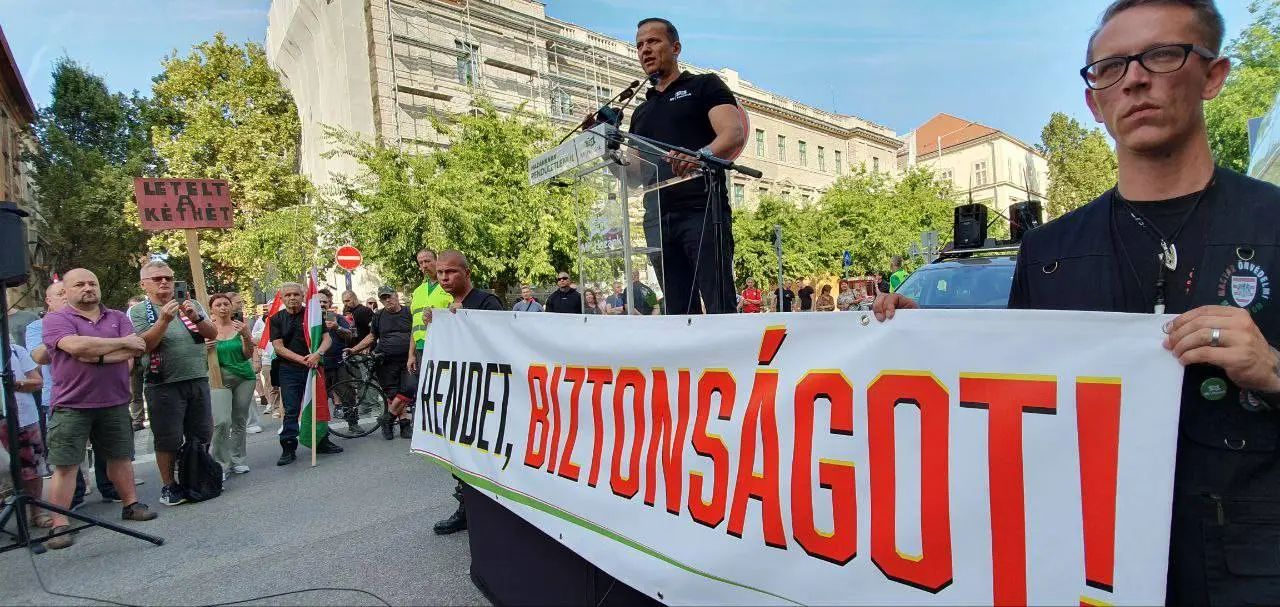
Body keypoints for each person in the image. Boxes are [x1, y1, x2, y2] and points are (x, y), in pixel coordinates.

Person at [875, 1, 1280, 602]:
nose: (1135, 79)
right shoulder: (1049, 250)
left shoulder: (1270, 221)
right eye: (1111, 67)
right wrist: (925, 344)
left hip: (1249, 563)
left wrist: (1271, 369)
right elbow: (1012, 391)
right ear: (1094, 102)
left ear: (1213, 75)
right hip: (1088, 564)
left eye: (1161, 55)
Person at [630, 18, 746, 315]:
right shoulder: (640, 111)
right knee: (677, 311)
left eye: (653, 41)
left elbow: (733, 133)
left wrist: (699, 155)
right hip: (657, 218)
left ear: (676, 47)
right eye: (639, 45)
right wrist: (604, 149)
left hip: (701, 209)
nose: (645, 50)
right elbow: (632, 175)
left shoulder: (704, 85)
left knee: (718, 303)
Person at [41, 268, 157, 549]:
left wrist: (97, 356)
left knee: (120, 458)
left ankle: (131, 505)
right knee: (66, 466)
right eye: (79, 284)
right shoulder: (56, 319)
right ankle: (59, 524)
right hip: (71, 404)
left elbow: (135, 349)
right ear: (66, 291)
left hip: (114, 402)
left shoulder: (118, 317)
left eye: (92, 283)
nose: (88, 288)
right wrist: (119, 343)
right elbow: (75, 346)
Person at [425, 250, 503, 536]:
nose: (444, 278)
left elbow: (502, 343)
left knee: (486, 457)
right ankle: (467, 508)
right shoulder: (448, 308)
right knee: (460, 455)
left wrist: (467, 320)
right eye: (440, 273)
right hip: (461, 393)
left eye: (451, 272)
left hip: (487, 395)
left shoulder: (487, 302)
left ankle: (492, 511)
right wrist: (437, 326)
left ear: (467, 273)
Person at [128, 261, 219, 506]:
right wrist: (163, 320)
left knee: (202, 433)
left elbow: (212, 334)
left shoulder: (191, 304)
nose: (164, 282)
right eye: (157, 279)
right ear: (144, 285)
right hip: (163, 383)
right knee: (168, 438)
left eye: (168, 278)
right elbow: (145, 345)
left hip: (197, 377)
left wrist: (196, 317)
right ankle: (169, 485)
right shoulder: (138, 312)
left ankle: (197, 476)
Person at [269, 282, 342, 465]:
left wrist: (318, 354)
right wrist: (302, 359)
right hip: (289, 370)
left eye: (296, 294)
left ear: (303, 296)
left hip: (314, 366)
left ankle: (321, 441)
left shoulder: (313, 316)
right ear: (282, 298)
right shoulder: (276, 318)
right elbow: (278, 347)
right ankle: (288, 447)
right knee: (291, 409)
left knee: (318, 405)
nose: (292, 298)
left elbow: (327, 339)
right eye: (288, 295)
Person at [349, 286, 415, 440]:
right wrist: (354, 349)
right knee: (393, 394)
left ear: (396, 295)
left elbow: (416, 332)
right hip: (385, 360)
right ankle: (404, 424)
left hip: (408, 359)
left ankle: (387, 419)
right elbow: (372, 336)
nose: (387, 300)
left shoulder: (409, 312)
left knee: (409, 388)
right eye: (383, 298)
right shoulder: (378, 315)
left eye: (389, 296)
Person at [3, 340, 49, 528]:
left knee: (32, 467)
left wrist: (15, 384)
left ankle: (37, 513)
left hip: (23, 416)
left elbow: (37, 381)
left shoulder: (15, 350)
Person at [208, 293, 255, 476]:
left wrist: (246, 336)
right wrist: (203, 349)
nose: (223, 308)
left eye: (226, 304)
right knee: (221, 422)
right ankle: (220, 464)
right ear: (211, 309)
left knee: (239, 420)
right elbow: (199, 359)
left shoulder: (240, 327)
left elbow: (247, 354)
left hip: (244, 377)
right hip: (218, 379)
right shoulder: (207, 330)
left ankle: (238, 459)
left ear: (231, 307)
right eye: (218, 305)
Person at [407, 249, 453, 383]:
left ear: (437, 261)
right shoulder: (417, 291)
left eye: (427, 261)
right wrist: (411, 355)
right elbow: (415, 326)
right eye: (421, 263)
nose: (424, 265)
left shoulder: (449, 286)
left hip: (443, 347)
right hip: (421, 350)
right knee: (424, 387)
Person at [317, 289, 358, 433]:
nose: (322, 304)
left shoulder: (336, 317)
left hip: (338, 363)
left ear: (329, 303)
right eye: (319, 302)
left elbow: (351, 335)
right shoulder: (310, 320)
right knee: (319, 398)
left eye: (325, 302)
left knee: (348, 393)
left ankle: (353, 423)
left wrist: (337, 327)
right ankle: (321, 430)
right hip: (319, 364)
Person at [124, 295, 147, 431]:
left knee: (152, 388)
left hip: (148, 357)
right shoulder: (125, 324)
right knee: (134, 391)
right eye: (131, 306)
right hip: (132, 358)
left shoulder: (147, 321)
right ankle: (137, 420)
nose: (133, 309)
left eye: (136, 306)